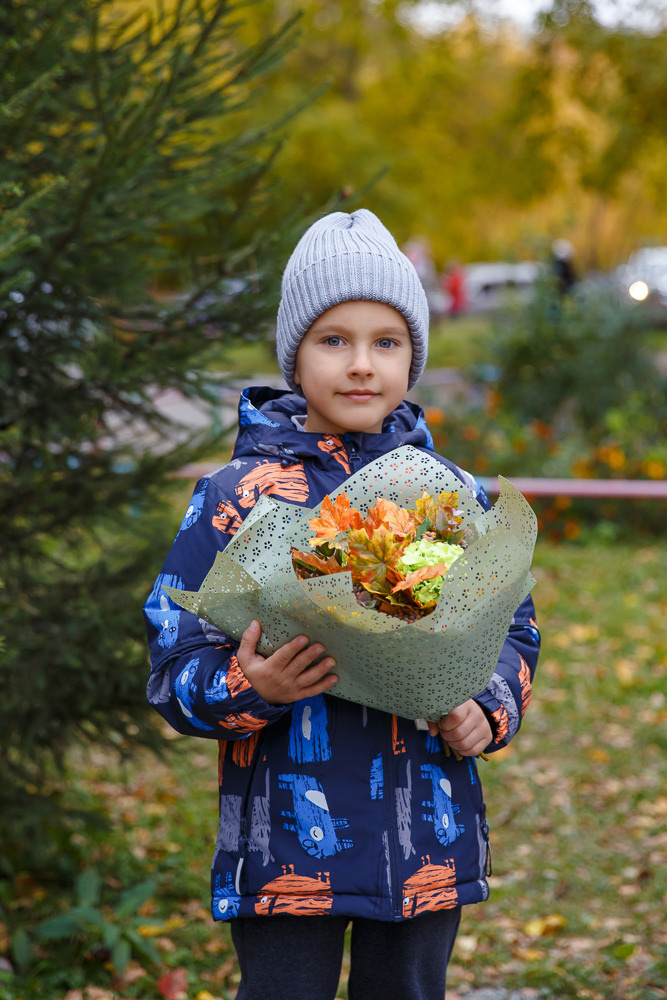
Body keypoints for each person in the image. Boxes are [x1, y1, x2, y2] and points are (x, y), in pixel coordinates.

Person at [143, 209, 540, 1000]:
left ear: (411, 357)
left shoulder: (449, 497)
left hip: (426, 839)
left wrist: (486, 709)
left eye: (385, 342)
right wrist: (252, 687)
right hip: (288, 853)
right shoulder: (237, 500)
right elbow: (173, 662)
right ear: (295, 354)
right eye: (334, 340)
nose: (361, 365)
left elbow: (512, 628)